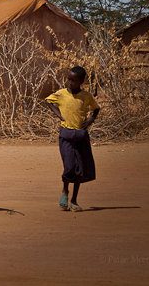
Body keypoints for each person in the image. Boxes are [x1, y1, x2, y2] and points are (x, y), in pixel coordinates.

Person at [45, 66, 100, 212]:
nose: (70, 82)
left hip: (81, 136)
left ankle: (74, 200)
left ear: (81, 81)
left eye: (73, 80)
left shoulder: (86, 96)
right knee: (69, 167)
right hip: (66, 136)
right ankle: (65, 190)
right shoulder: (61, 94)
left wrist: (90, 120)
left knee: (80, 170)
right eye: (68, 79)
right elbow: (49, 101)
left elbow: (96, 109)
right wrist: (57, 114)